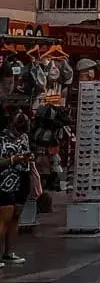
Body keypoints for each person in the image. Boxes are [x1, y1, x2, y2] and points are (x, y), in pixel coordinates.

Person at [0, 112, 32, 265]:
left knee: (15, 217)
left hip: (22, 177)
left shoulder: (24, 137)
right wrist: (13, 159)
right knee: (4, 218)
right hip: (5, 180)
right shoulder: (2, 138)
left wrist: (28, 158)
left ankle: (8, 252)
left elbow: (26, 153)